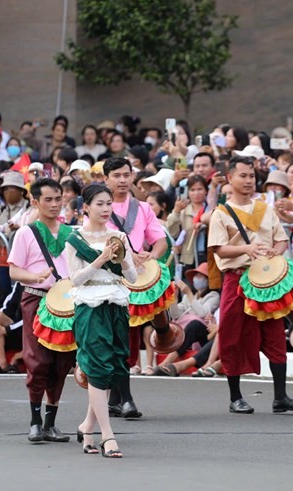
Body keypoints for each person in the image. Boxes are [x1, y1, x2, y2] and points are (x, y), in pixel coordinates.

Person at [207, 155, 293, 415]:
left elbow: (281, 240)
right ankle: (235, 396)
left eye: (251, 176)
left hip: (267, 281)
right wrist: (246, 248)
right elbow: (219, 248)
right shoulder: (221, 214)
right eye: (242, 175)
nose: (248, 180)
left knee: (274, 333)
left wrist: (276, 251)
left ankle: (281, 396)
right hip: (237, 279)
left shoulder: (266, 209)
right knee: (232, 336)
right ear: (230, 178)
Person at [63, 183, 137, 458]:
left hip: (116, 304)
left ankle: (87, 427)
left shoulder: (119, 236)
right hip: (90, 306)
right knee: (97, 367)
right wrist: (101, 259)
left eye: (109, 204)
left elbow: (133, 279)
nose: (106, 209)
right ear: (85, 207)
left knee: (114, 366)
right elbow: (76, 279)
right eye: (100, 204)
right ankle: (108, 435)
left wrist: (124, 257)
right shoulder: (75, 238)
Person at [8, 178, 77, 442]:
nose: (54, 204)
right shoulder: (26, 232)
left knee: (61, 363)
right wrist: (34, 277)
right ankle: (35, 421)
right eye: (47, 199)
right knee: (38, 360)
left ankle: (50, 423)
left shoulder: (72, 233)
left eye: (58, 199)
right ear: (34, 202)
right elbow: (14, 270)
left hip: (66, 302)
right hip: (36, 299)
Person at [103, 157, 168, 418]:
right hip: (109, 278)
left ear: (132, 177)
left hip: (136, 280)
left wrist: (151, 257)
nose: (122, 180)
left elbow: (160, 240)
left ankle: (120, 399)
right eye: (116, 175)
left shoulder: (142, 208)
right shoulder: (100, 207)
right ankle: (122, 399)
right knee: (119, 338)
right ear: (106, 179)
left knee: (126, 337)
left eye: (126, 175)